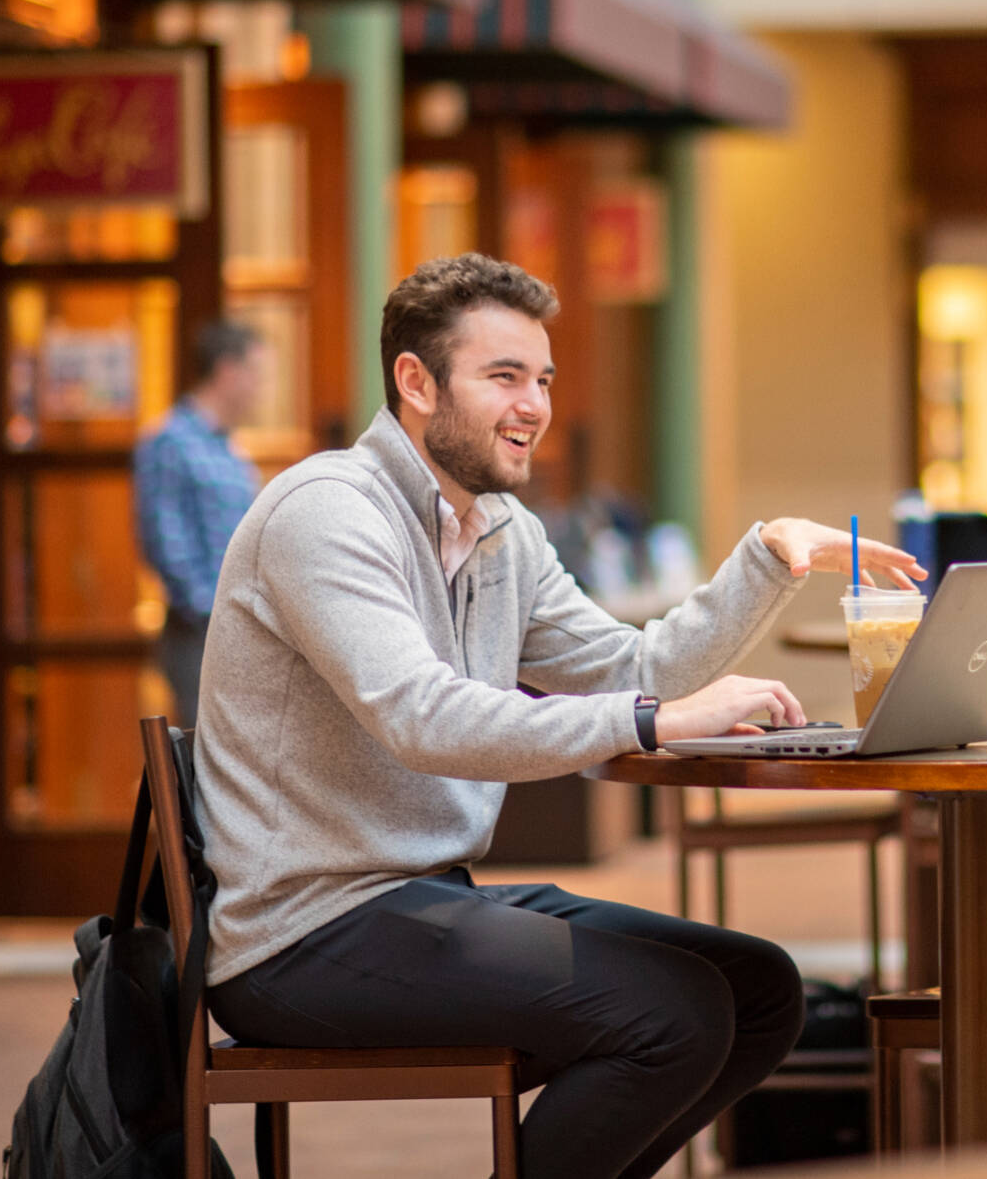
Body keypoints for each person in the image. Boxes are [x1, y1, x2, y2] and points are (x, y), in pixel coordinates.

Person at [191, 252, 924, 1178]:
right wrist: (657, 721)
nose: (533, 403)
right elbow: (424, 718)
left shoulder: (500, 529)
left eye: (540, 377)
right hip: (301, 934)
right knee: (671, 1014)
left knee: (761, 989)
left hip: (422, 898)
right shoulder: (327, 513)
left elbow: (630, 664)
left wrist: (771, 557)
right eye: (503, 377)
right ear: (414, 382)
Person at [132, 319, 267, 725]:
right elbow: (165, 544)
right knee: (209, 758)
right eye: (257, 375)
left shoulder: (229, 449)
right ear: (228, 371)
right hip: (199, 636)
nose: (262, 389)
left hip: (235, 633)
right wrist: (216, 618)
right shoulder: (169, 441)